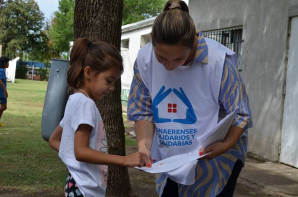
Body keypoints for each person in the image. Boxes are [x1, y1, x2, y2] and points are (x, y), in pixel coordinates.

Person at [127, 0, 253, 196]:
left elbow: (240, 114)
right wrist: (144, 146)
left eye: (177, 59)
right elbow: (143, 110)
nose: (168, 65)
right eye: (161, 57)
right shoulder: (145, 59)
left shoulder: (219, 61)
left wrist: (225, 145)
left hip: (216, 159)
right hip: (168, 158)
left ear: (194, 41)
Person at [49, 38, 147, 197]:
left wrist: (72, 162)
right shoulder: (84, 104)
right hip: (84, 190)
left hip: (77, 185)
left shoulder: (74, 100)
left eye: (114, 82)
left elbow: (54, 140)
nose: (112, 88)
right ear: (88, 72)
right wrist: (124, 160)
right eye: (109, 80)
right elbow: (80, 152)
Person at [0, 56, 9, 127]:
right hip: (1, 93)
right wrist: (5, 90)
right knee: (4, 107)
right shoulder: (1, 70)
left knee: (3, 107)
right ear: (5, 63)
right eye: (8, 62)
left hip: (1, 92)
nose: (8, 64)